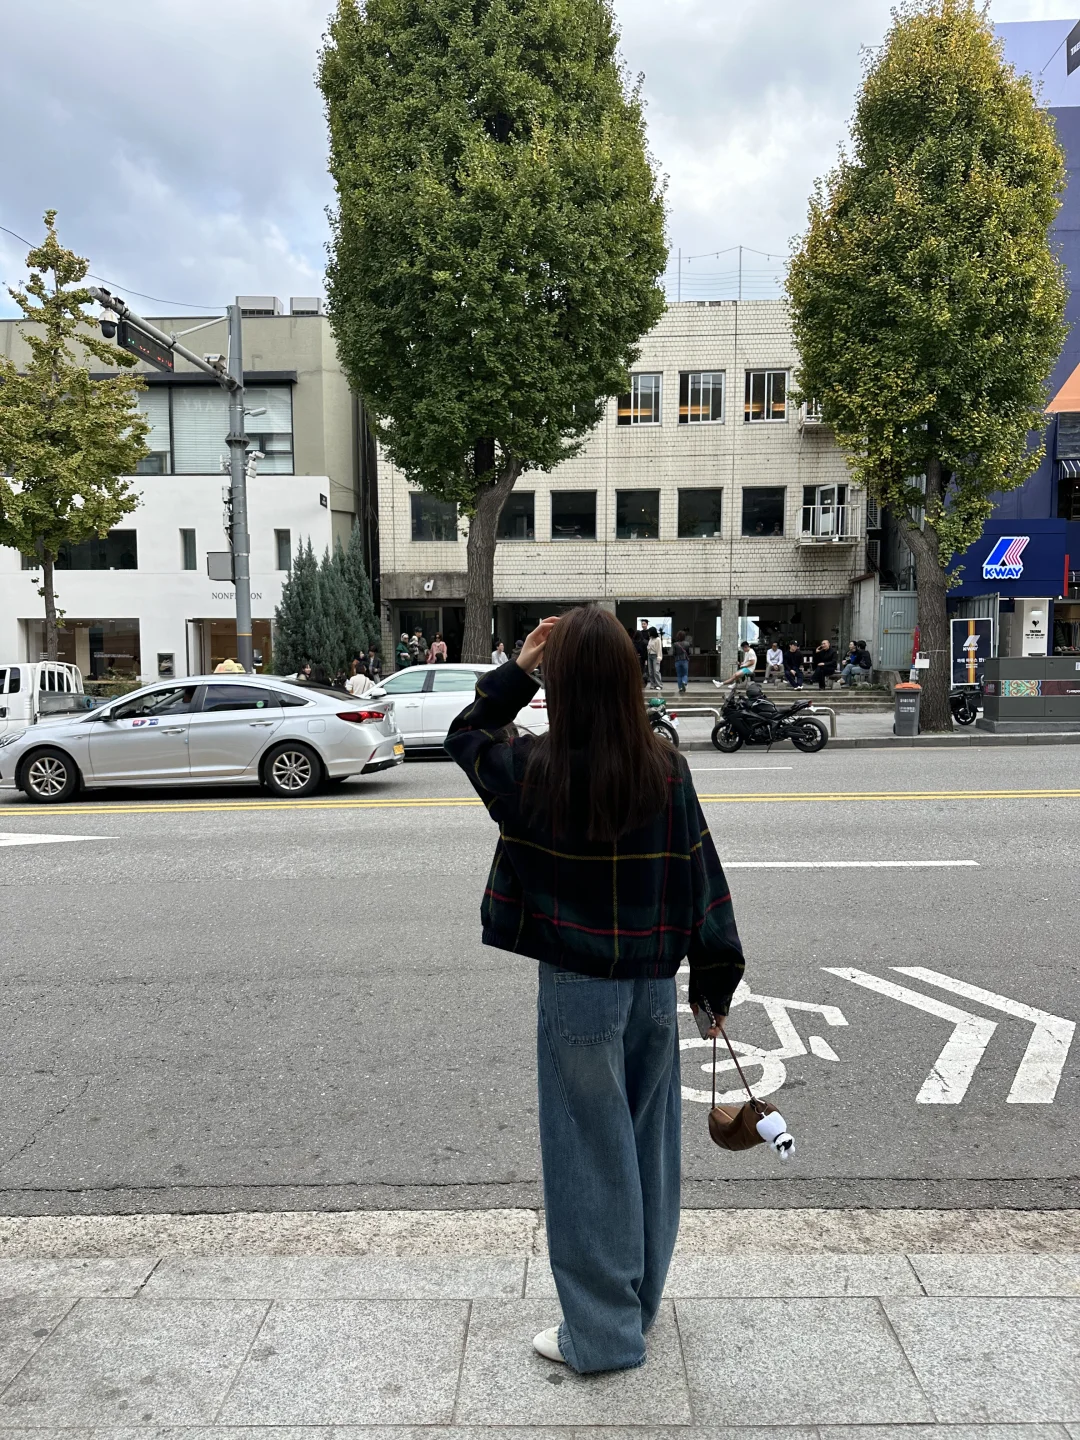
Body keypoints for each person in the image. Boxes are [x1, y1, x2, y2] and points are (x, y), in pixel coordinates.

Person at [445, 606, 744, 1375]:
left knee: (586, 1156)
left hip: (578, 989)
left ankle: (603, 1336)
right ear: (628, 678)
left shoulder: (530, 770)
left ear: (562, 685)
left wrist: (520, 665)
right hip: (652, 984)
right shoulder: (665, 768)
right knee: (648, 1149)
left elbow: (465, 734)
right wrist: (714, 983)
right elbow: (701, 876)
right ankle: (634, 1307)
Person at [673, 630, 691, 694]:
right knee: (685, 674)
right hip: (685, 660)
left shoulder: (675, 644)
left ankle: (680, 688)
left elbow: (674, 653)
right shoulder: (687, 644)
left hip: (677, 661)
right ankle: (684, 682)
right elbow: (689, 652)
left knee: (679, 675)